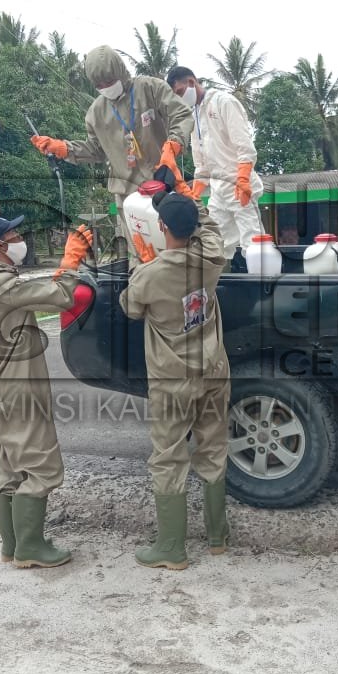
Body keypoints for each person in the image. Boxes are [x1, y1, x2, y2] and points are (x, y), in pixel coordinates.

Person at [0, 214, 93, 568]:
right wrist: (71, 261)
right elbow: (60, 296)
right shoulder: (3, 285)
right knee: (41, 467)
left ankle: (13, 545)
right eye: (14, 234)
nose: (22, 238)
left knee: (9, 467)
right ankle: (30, 549)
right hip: (19, 388)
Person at [119, 187, 231, 570]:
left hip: (172, 380)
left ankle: (171, 548)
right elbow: (212, 229)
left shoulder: (149, 276)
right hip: (214, 372)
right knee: (213, 449)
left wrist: (142, 262)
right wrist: (190, 198)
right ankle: (218, 537)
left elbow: (130, 308)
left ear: (160, 226)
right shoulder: (212, 258)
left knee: (169, 458)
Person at [29, 45, 195, 260]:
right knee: (140, 255)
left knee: (180, 250)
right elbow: (96, 150)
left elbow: (181, 115)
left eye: (110, 81)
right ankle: (142, 289)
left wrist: (173, 144)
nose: (106, 87)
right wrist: (65, 148)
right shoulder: (96, 113)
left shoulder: (149, 88)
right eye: (100, 85)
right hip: (128, 193)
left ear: (120, 71)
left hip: (165, 182)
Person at [166, 65, 265, 272]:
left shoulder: (224, 102)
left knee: (253, 244)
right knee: (215, 244)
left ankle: (262, 291)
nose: (179, 98)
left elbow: (244, 146)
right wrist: (195, 193)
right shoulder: (193, 116)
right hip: (218, 193)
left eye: (179, 92)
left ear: (192, 82)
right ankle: (219, 290)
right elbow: (202, 164)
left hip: (240, 187)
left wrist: (244, 178)